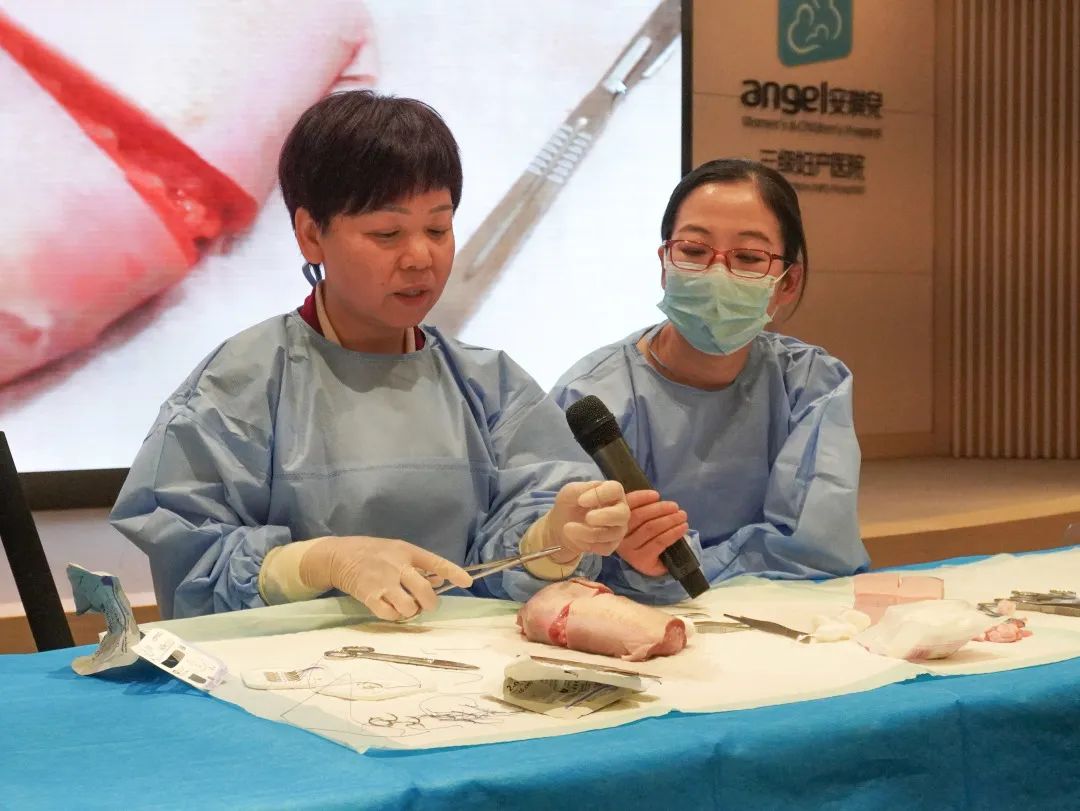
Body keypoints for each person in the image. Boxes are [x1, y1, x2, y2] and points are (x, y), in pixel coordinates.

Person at [111, 91, 630, 620]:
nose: (421, 257)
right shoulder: (241, 384)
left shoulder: (492, 386)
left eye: (438, 228)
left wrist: (552, 541)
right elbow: (191, 562)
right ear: (311, 235)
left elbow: (522, 546)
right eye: (387, 233)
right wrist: (315, 563)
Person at [550, 158, 869, 604]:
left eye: (749, 258)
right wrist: (632, 564)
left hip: (784, 618)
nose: (718, 274)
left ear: (788, 282)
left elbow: (817, 550)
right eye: (694, 251)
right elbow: (557, 559)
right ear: (665, 264)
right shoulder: (591, 400)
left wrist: (682, 566)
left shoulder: (810, 385)